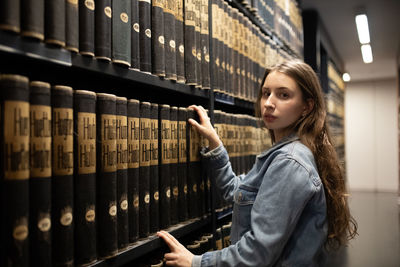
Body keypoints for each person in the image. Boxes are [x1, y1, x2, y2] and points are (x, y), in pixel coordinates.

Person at [157, 59, 358, 266]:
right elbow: (238, 192)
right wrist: (216, 145)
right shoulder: (287, 153)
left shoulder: (289, 162)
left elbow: (257, 253)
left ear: (307, 106)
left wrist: (196, 262)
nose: (269, 103)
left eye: (283, 95)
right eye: (266, 93)